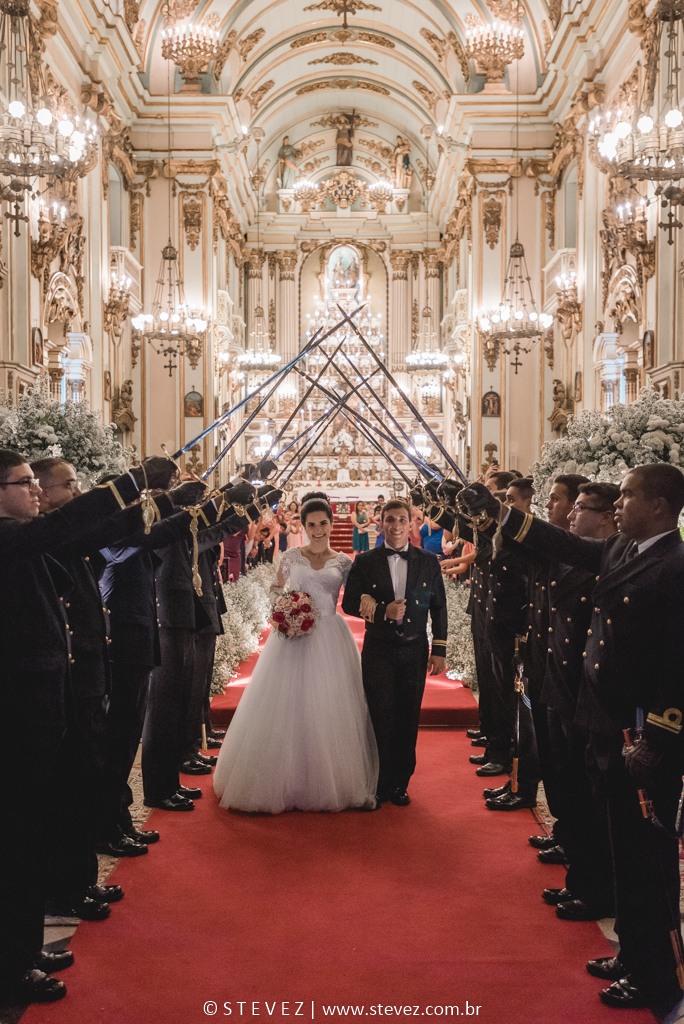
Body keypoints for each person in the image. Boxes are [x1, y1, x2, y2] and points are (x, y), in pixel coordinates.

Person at [460, 465, 684, 1013]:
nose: (619, 505)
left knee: (649, 860)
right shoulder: (625, 552)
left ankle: (659, 978)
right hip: (605, 725)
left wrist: (656, 735)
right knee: (622, 850)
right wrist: (500, 516)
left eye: (629, 496)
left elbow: (676, 663)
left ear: (659, 505)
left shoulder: (675, 566)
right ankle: (633, 952)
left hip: (641, 739)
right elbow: (557, 541)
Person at [0, 450, 178, 1004]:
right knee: (19, 844)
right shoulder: (8, 540)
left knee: (32, 836)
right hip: (20, 718)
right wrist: (128, 483)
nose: (35, 490)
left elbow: (77, 537)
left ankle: (25, 948)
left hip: (42, 713)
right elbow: (66, 527)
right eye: (24, 482)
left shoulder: (28, 542)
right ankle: (11, 969)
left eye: (36, 482)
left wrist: (155, 504)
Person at [213, 496, 378, 813]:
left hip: (330, 633)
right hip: (293, 636)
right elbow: (276, 589)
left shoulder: (343, 562)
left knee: (328, 704)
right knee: (289, 702)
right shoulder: (291, 557)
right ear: (304, 526)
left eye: (323, 523)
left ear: (331, 523)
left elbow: (357, 594)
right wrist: (285, 606)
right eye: (311, 524)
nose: (318, 530)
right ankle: (282, 778)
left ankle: (329, 779)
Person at [342, 499, 447, 805]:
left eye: (402, 519)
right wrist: (381, 611)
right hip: (379, 649)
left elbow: (439, 608)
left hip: (414, 649)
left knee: (407, 716)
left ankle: (401, 782)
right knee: (380, 715)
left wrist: (439, 649)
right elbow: (349, 603)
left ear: (410, 523)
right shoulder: (366, 561)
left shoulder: (428, 561)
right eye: (390, 519)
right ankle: (380, 779)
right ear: (382, 523)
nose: (397, 525)